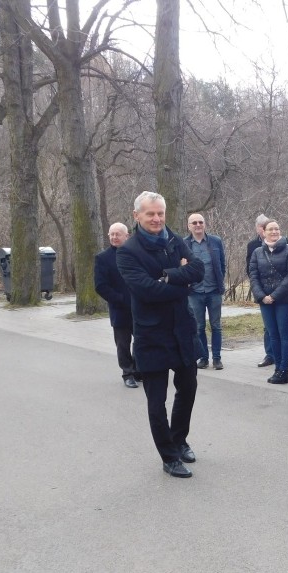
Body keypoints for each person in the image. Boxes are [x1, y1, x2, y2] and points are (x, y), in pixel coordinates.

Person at [117, 191, 205, 478]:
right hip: (151, 336)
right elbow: (146, 290)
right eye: (150, 214)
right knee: (156, 402)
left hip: (182, 330)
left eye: (160, 213)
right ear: (137, 216)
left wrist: (168, 276)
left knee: (188, 390)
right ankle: (168, 457)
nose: (156, 219)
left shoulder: (174, 239)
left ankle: (179, 441)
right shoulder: (128, 251)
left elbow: (198, 269)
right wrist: (182, 282)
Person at [249, 219, 288, 384]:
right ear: (263, 231)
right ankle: (277, 368)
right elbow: (253, 275)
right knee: (272, 335)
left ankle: (284, 370)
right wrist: (262, 296)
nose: (274, 232)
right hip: (264, 300)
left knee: (284, 334)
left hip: (284, 300)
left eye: (277, 229)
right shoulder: (257, 252)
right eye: (270, 229)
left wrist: (274, 296)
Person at [94, 222, 138, 388]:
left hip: (139, 306)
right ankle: (128, 373)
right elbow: (100, 286)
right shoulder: (103, 258)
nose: (114, 237)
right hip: (119, 309)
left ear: (126, 236)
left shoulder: (136, 254)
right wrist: (119, 299)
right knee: (123, 343)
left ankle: (138, 369)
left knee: (141, 340)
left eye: (118, 234)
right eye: (111, 234)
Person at [184, 213, 226, 370]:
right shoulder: (184, 244)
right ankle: (203, 357)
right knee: (199, 326)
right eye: (194, 222)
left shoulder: (216, 241)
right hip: (194, 292)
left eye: (200, 222)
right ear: (189, 226)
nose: (197, 225)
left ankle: (217, 358)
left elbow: (222, 264)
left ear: (204, 224)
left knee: (216, 325)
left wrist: (220, 281)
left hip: (214, 291)